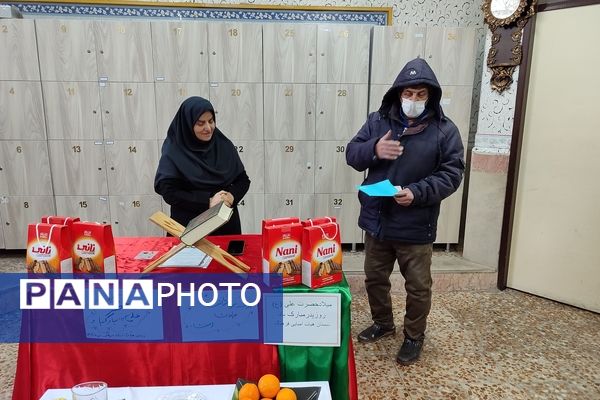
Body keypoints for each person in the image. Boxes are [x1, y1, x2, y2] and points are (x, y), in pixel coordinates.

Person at [346, 58, 465, 365]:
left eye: (420, 94)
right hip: (378, 221)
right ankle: (384, 324)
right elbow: (352, 153)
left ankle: (414, 336)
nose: (413, 100)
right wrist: (374, 149)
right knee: (374, 278)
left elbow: (452, 174)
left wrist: (417, 192)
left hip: (416, 224)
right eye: (408, 93)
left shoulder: (444, 130)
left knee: (418, 286)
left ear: (431, 96)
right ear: (398, 93)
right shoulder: (378, 121)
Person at [155, 96, 250, 235]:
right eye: (200, 123)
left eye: (211, 121)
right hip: (188, 227)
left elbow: (243, 180)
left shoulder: (223, 144)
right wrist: (208, 201)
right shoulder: (174, 150)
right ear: (187, 124)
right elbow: (169, 192)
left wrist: (231, 196)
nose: (208, 128)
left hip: (225, 224)